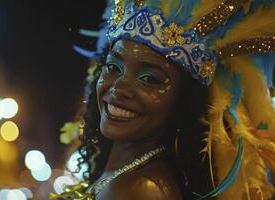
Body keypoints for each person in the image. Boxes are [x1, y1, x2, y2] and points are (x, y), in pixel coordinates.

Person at [50, 0, 275, 199]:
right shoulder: (126, 177)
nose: (119, 88)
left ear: (183, 101)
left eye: (149, 79)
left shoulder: (141, 190)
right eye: (113, 67)